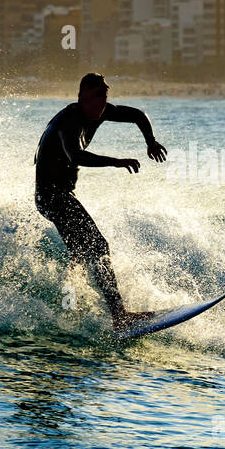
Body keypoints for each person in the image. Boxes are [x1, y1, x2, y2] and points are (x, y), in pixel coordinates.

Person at [34, 73, 167, 329]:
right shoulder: (69, 121)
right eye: (95, 100)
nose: (100, 106)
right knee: (99, 246)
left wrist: (150, 142)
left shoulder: (102, 111)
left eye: (104, 100)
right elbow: (75, 155)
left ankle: (74, 307)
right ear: (81, 97)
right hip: (52, 196)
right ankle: (120, 316)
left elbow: (138, 115)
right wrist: (116, 162)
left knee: (82, 252)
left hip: (60, 195)